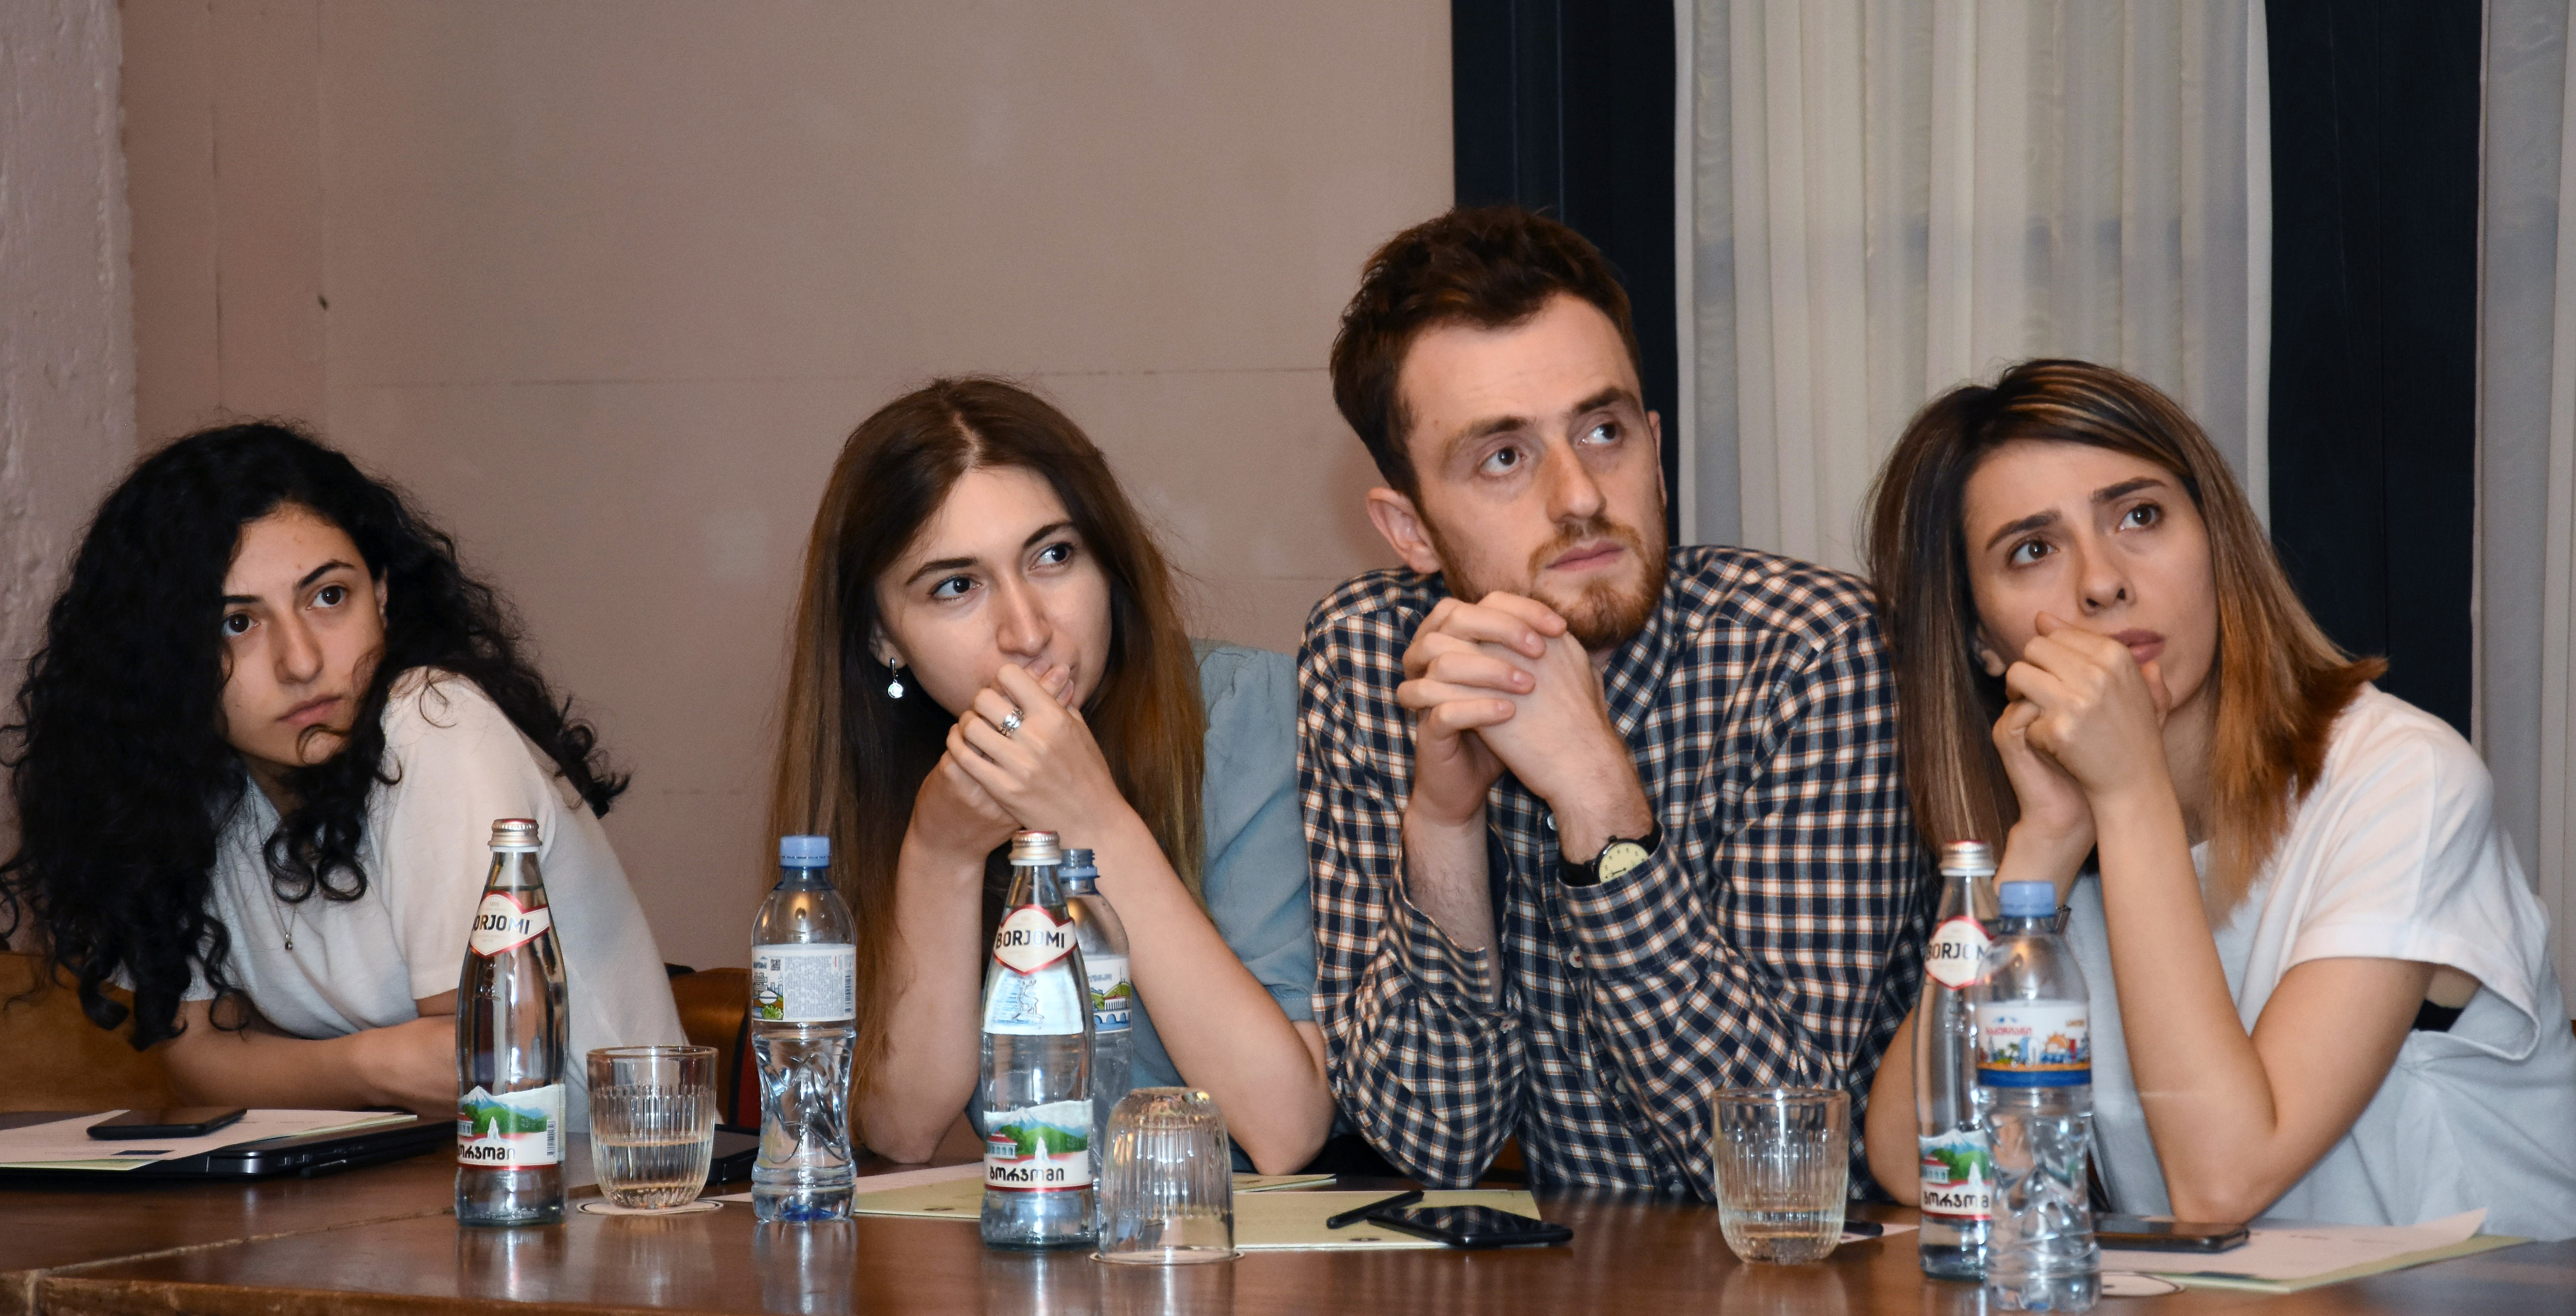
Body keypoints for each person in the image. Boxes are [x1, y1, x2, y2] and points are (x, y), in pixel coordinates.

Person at [1859, 360, 2576, 1239]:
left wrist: (2130, 794)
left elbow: (2221, 1184)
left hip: (2485, 1293)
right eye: (2033, 550)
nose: (2102, 582)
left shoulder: (2404, 778)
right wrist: (2043, 841)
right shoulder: (2068, 837)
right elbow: (1913, 1163)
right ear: (1981, 639)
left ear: (2216, 544)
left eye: (2139, 515)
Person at [1300, 205, 1927, 1195]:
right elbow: (1433, 1143)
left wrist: (1599, 794)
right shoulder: (1372, 654)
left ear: (1655, 451)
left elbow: (1779, 1169)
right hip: (1564, 1265)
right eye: (1503, 457)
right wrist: (1444, 826)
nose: (1581, 495)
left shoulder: (1810, 655)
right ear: (1409, 530)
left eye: (1604, 432)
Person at [0, 423, 682, 1125]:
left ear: (381, 594)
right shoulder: (191, 788)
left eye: (328, 597)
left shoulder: (435, 722)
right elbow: (197, 1059)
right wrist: (372, 1066)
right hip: (406, 1174)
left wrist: (310, 1066)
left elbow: (471, 1065)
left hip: (603, 1172)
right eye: (237, 624)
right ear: (163, 658)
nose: (301, 662)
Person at [771, 377, 1333, 1172]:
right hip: (1038, 1231)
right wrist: (940, 855)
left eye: (1053, 556)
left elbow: (1285, 1129)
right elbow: (900, 1129)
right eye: (957, 587)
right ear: (881, 637)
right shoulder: (894, 766)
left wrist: (1091, 815)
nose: (1028, 631)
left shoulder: (1241, 708)